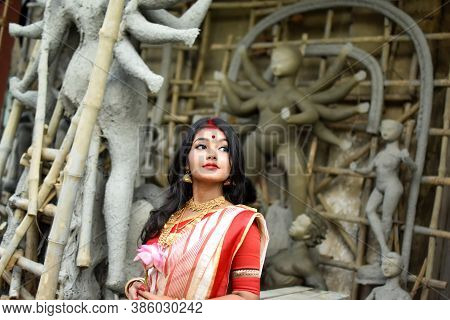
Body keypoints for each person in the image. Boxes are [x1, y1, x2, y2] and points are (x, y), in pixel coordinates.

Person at [125, 117, 269, 300]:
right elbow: (159, 280)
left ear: (232, 170)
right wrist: (137, 285)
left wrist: (180, 310)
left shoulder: (240, 223)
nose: (212, 154)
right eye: (202, 146)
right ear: (186, 162)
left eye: (224, 148)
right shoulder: (168, 217)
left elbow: (246, 299)